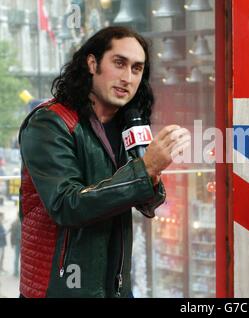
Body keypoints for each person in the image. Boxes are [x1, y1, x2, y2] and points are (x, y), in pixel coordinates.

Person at [18, 26, 190, 298]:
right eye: (119, 63)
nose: (127, 77)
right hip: (61, 287)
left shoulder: (128, 122)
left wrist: (151, 172)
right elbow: (67, 205)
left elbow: (150, 202)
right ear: (92, 63)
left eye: (137, 68)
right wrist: (144, 169)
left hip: (116, 283)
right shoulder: (49, 122)